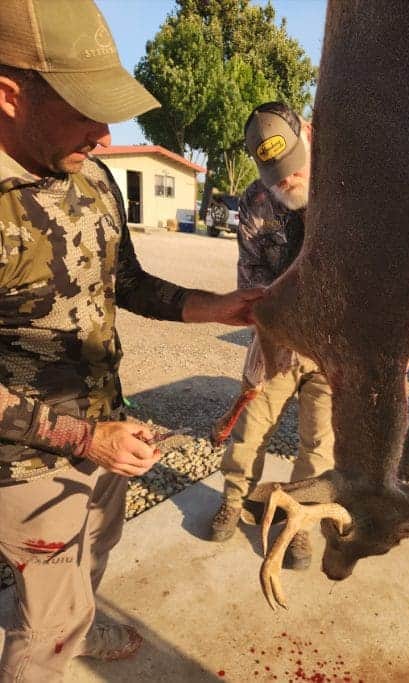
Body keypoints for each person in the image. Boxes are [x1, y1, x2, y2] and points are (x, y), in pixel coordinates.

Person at [0, 2, 264, 679]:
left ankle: (80, 622)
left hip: (106, 429)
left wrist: (217, 305)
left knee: (97, 549)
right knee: (46, 625)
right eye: (84, 107)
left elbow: (130, 283)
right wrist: (83, 441)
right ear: (8, 95)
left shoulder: (91, 174)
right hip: (28, 463)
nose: (105, 128)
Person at [207, 102, 333, 571]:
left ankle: (297, 523)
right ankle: (235, 499)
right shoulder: (255, 202)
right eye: (274, 174)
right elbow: (251, 278)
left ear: (308, 133)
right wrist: (267, 339)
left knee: (320, 445)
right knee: (249, 430)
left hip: (331, 349)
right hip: (278, 338)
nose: (286, 181)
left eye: (292, 168)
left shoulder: (349, 189)